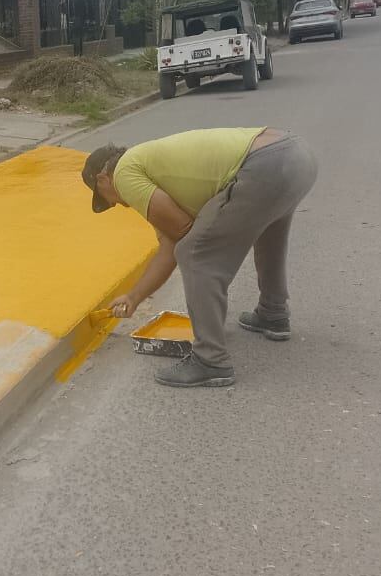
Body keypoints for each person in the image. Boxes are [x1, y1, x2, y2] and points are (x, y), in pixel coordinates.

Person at [80, 127, 318, 388]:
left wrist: (199, 241)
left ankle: (211, 360)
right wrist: (134, 297)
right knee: (268, 234)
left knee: (195, 255)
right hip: (295, 156)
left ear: (102, 178)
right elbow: (170, 242)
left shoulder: (124, 174)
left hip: (265, 165)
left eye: (103, 197)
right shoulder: (150, 163)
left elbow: (183, 234)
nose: (115, 205)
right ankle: (273, 313)